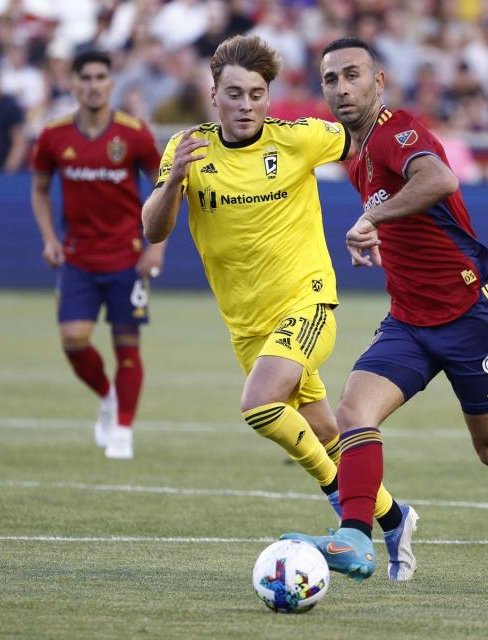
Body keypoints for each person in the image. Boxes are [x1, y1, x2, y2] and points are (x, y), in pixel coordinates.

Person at [282, 37, 488, 591]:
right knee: (354, 412)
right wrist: (376, 234)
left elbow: (439, 179)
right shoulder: (358, 154)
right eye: (331, 79)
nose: (342, 88)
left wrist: (374, 220)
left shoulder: (397, 132)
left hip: (471, 312)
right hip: (408, 320)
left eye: (353, 75)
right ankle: (354, 536)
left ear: (379, 83)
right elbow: (403, 214)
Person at [142, 35, 418, 581]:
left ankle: (343, 504)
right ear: (213, 95)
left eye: (257, 94)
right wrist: (174, 180)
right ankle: (394, 518)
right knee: (325, 435)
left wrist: (379, 214)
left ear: (269, 98)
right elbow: (153, 229)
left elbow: (374, 136)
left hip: (307, 301)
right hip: (248, 327)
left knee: (259, 404)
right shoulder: (186, 149)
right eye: (235, 94)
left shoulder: (299, 139)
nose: (246, 105)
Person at [30, 50, 164, 460]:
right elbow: (38, 189)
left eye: (100, 77)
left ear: (111, 83)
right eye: (84, 77)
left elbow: (166, 187)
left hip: (126, 257)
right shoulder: (53, 136)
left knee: (127, 344)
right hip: (78, 259)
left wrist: (156, 247)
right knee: (73, 340)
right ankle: (107, 396)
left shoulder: (134, 133)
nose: (92, 84)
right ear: (73, 84)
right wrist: (50, 239)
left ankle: (123, 428)